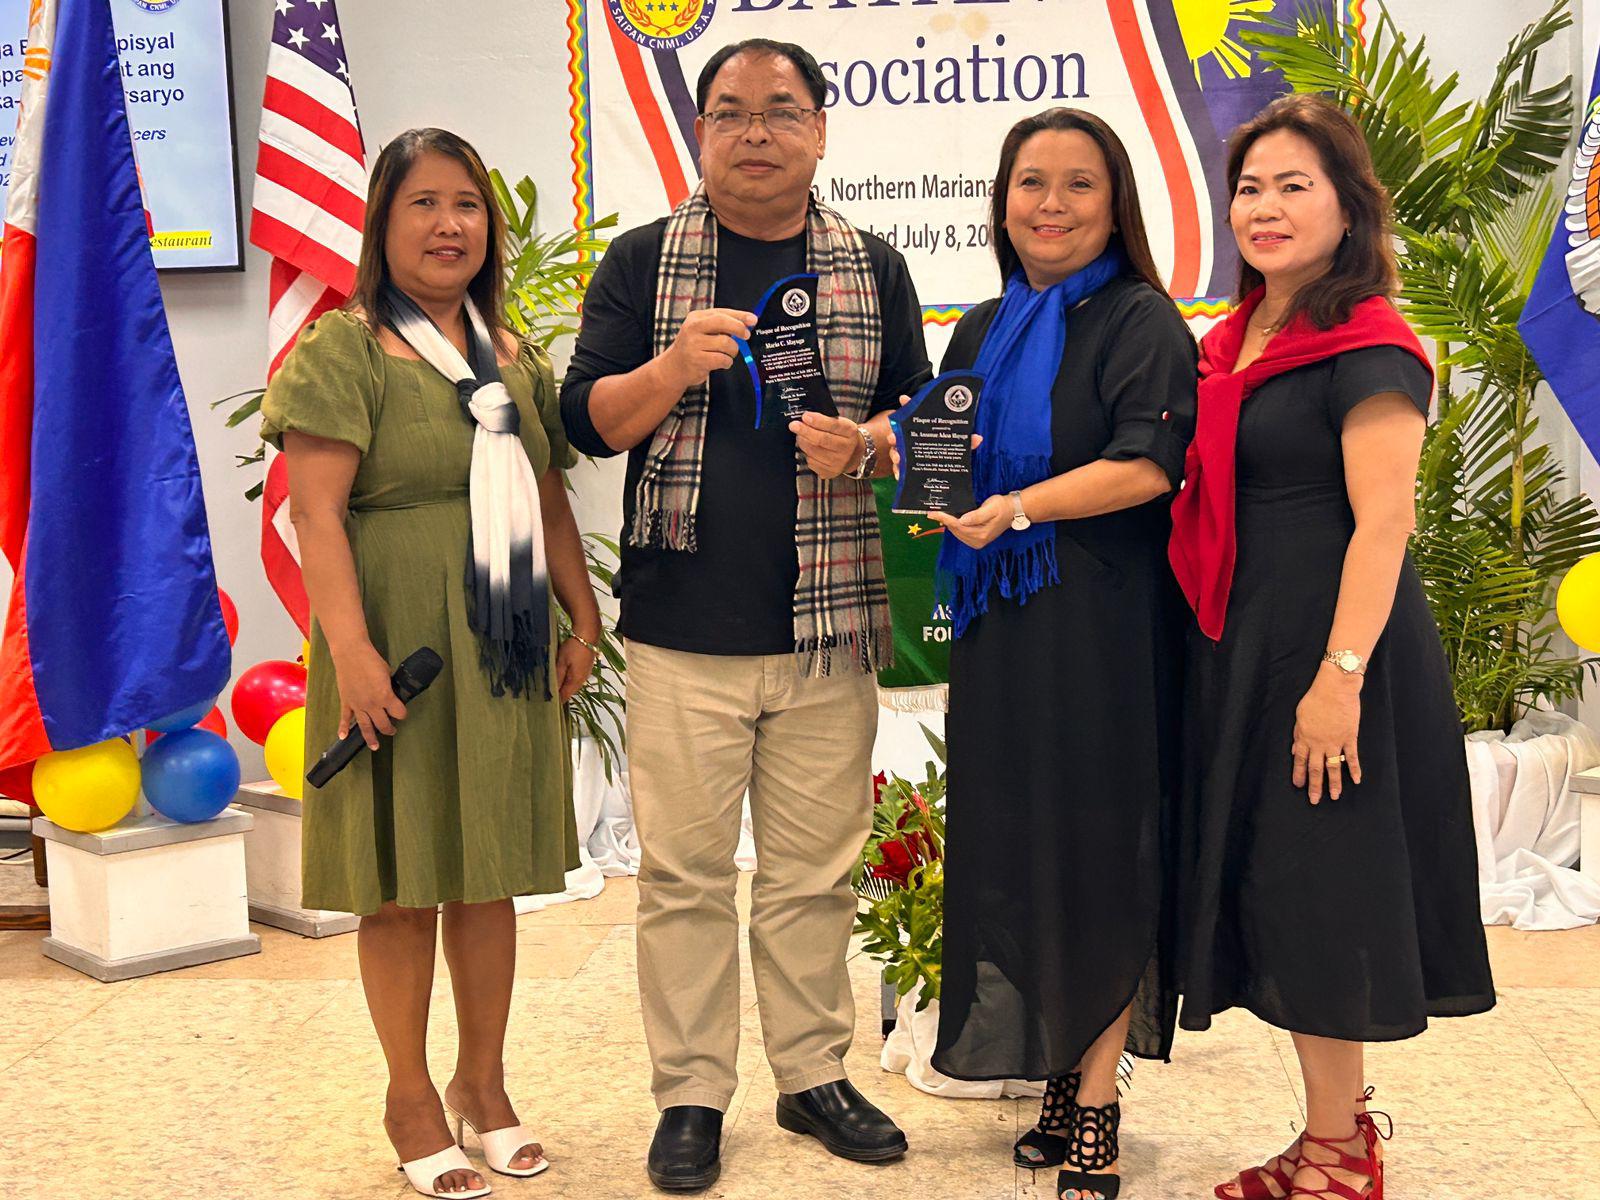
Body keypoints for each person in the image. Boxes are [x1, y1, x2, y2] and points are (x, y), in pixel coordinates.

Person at [560, 37, 932, 1195]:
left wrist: (870, 442)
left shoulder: (870, 266)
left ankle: (812, 1073)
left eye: (779, 111)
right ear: (700, 133)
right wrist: (671, 365)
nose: (755, 132)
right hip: (681, 630)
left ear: (821, 130)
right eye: (730, 112)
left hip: (827, 628)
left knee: (814, 876)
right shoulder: (641, 263)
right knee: (681, 876)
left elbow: (923, 425)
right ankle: (690, 1092)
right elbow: (586, 423)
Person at [262, 128, 602, 1199]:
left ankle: (484, 1086)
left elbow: (548, 491)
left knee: (489, 871)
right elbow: (315, 513)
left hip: (501, 634)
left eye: (466, 204)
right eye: (423, 204)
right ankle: (409, 1095)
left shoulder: (515, 356)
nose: (449, 223)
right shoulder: (344, 348)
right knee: (403, 887)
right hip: (395, 643)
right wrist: (350, 654)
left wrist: (580, 614)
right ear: (382, 222)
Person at [1167, 94, 1495, 1200]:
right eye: (1250, 186)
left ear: (1348, 209)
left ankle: (1340, 1159)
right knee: (1289, 889)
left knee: (1323, 896)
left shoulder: (1373, 344)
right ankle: (1331, 1136)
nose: (1264, 206)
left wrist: (1337, 681)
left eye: (1292, 184)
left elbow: (1385, 522)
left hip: (1333, 658)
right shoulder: (1240, 337)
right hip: (1255, 652)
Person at [911, 108, 1197, 1200]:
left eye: (1079, 185)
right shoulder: (981, 326)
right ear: (1001, 201)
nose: (1051, 205)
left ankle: (1100, 1102)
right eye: (1031, 182)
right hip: (1003, 633)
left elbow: (1146, 467)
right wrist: (914, 460)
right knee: (1018, 843)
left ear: (1115, 202)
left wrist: (1017, 505)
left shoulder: (1137, 321)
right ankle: (1063, 1080)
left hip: (1105, 631)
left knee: (1096, 852)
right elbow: (954, 449)